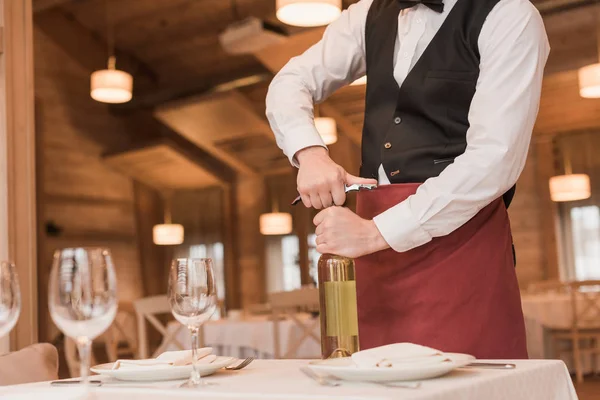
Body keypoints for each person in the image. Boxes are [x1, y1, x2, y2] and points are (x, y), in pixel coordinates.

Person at [266, 0, 549, 358]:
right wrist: (309, 153)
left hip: (460, 245)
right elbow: (290, 81)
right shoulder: (367, 14)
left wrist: (376, 232)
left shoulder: (509, 14)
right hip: (371, 258)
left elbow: (496, 158)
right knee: (373, 382)